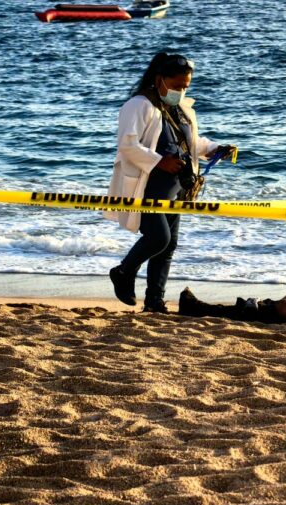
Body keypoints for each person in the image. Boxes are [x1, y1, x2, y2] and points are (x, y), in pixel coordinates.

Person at [105, 52, 235, 312]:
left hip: (178, 187)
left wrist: (216, 148)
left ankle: (155, 301)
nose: (181, 91)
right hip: (150, 185)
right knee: (158, 238)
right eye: (176, 86)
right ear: (159, 79)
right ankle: (123, 271)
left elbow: (190, 143)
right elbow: (127, 145)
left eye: (185, 86)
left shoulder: (181, 108)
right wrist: (159, 161)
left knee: (169, 245)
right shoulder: (139, 105)